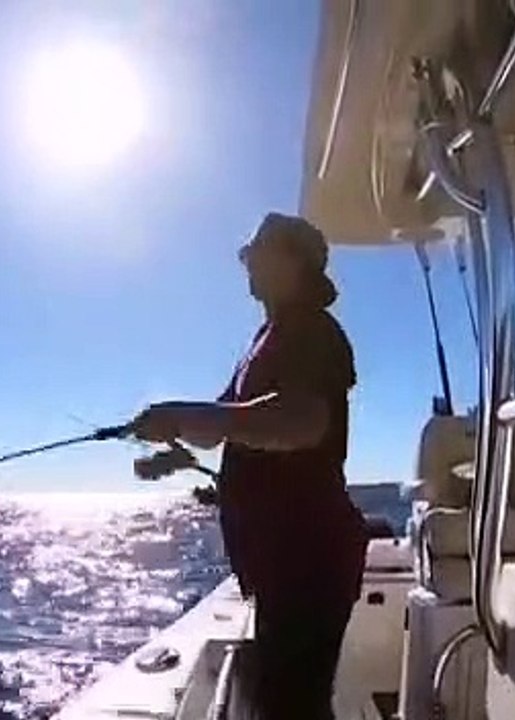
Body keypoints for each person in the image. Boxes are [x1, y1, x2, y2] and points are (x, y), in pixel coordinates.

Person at [129, 212, 368, 720]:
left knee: (292, 708)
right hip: (280, 562)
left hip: (308, 560)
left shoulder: (311, 331)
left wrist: (180, 415)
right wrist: (175, 446)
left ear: (292, 261)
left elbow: (302, 422)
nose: (246, 263)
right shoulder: (269, 337)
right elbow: (223, 422)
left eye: (255, 252)